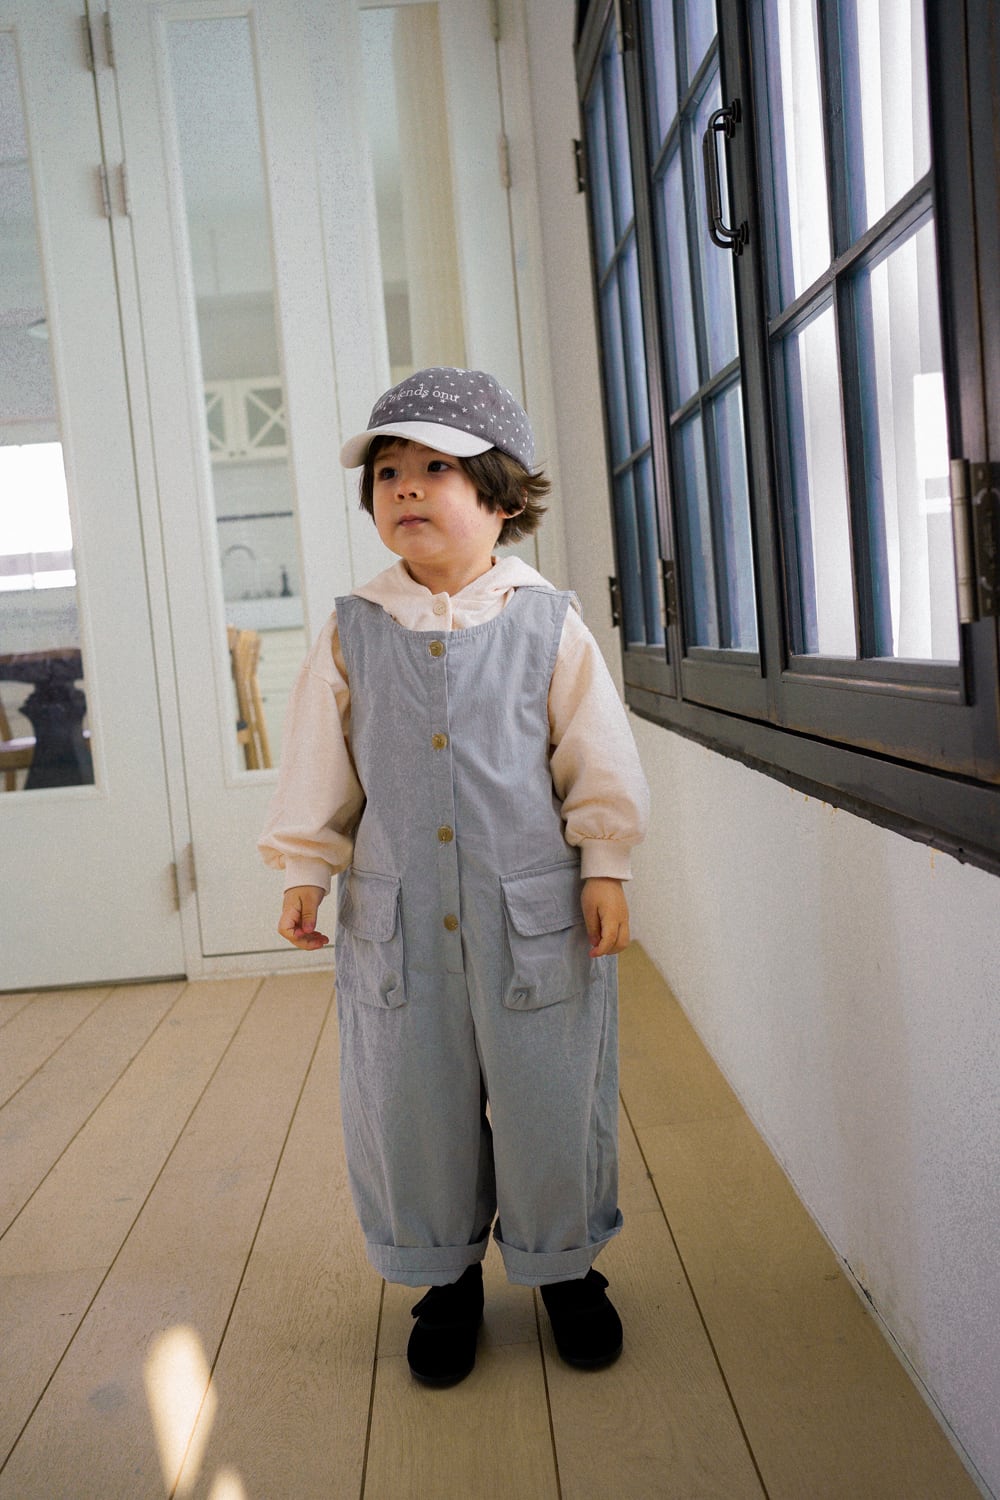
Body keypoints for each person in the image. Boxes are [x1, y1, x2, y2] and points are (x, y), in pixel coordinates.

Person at [259, 367, 649, 1386]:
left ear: (501, 497)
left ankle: (565, 1268)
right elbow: (318, 764)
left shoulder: (546, 620)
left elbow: (596, 754)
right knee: (412, 1100)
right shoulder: (353, 627)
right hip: (399, 922)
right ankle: (446, 1280)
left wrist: (604, 863)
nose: (405, 487)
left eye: (436, 468)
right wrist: (304, 867)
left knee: (550, 1093)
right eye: (389, 472)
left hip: (533, 918)